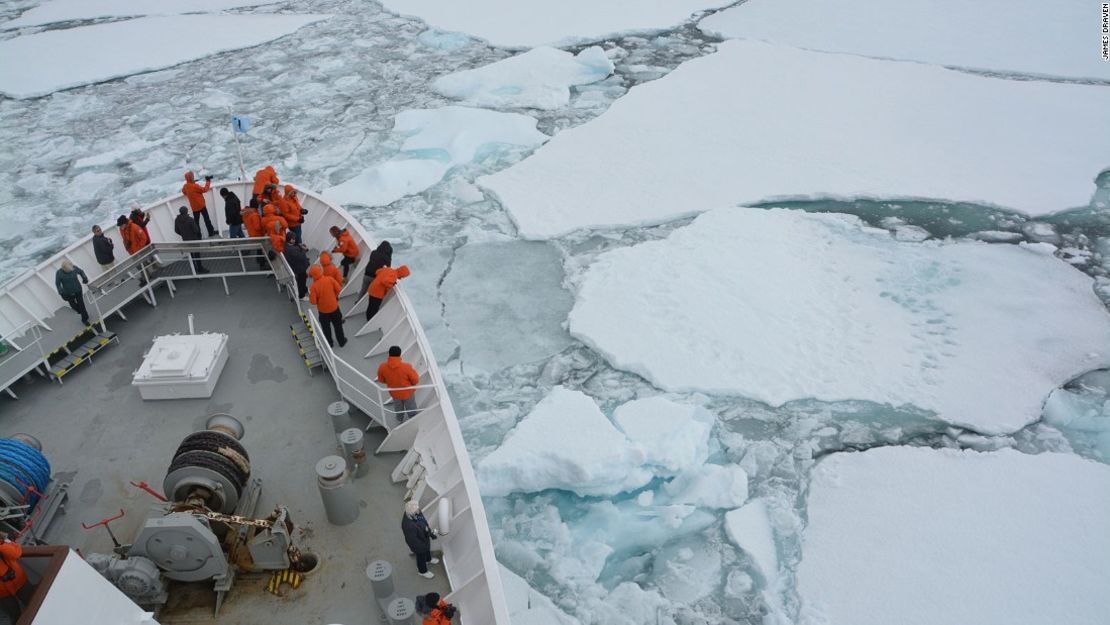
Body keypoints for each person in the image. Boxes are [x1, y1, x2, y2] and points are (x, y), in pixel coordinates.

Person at [378, 345, 419, 422]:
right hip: (408, 393)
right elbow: (415, 380)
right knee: (411, 408)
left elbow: (381, 380)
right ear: (400, 354)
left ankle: (399, 419)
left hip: (394, 393)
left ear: (389, 354)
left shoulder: (382, 367)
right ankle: (413, 420)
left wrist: (391, 382)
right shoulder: (406, 367)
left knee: (398, 408)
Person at [308, 265, 346, 348]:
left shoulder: (313, 287)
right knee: (338, 326)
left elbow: (313, 302)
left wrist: (320, 300)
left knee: (326, 329)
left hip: (323, 312)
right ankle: (341, 341)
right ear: (321, 271)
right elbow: (339, 289)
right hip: (334, 308)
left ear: (312, 276)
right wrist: (334, 296)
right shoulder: (330, 279)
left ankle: (330, 344)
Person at [401, 501, 438, 579]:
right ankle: (422, 571)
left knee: (427, 549)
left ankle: (428, 559)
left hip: (424, 538)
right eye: (416, 511)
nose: (418, 511)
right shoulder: (408, 525)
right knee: (421, 557)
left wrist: (429, 532)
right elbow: (412, 540)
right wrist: (422, 547)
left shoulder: (416, 511)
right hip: (418, 545)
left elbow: (423, 521)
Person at [0, 537, 29, 621]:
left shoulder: (2, 541)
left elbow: (16, 553)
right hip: (2, 594)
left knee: (36, 603)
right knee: (16, 617)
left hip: (19, 581)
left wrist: (1, 544)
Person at [174, 206, 209, 274]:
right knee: (197, 254)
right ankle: (200, 268)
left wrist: (183, 234)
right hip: (194, 240)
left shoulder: (177, 220)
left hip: (186, 240)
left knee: (191, 255)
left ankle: (194, 269)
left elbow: (176, 230)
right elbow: (196, 230)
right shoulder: (190, 219)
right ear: (186, 211)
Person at [182, 171, 218, 237]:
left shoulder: (185, 186)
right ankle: (211, 232)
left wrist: (192, 184)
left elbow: (184, 192)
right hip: (201, 206)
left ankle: (198, 236)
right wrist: (208, 181)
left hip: (194, 208)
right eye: (192, 176)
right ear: (191, 177)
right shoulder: (195, 186)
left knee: (196, 223)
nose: (193, 177)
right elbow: (205, 189)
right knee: (207, 219)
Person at [55, 260, 90, 326]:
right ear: (64, 268)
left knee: (81, 305)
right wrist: (61, 292)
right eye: (69, 270)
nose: (71, 270)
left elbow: (81, 272)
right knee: (73, 305)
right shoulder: (59, 273)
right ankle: (81, 311)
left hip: (78, 290)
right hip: (68, 293)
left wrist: (84, 278)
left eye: (71, 269)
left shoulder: (74, 268)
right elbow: (58, 284)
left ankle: (85, 319)